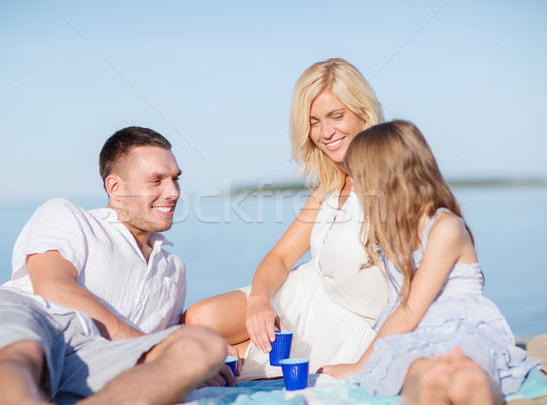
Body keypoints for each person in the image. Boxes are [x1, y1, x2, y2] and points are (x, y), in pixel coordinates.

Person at [0, 126, 233, 405]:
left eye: (175, 179)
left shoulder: (173, 270)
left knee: (203, 346)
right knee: (24, 349)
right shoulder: (69, 216)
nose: (173, 192)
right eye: (156, 181)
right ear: (115, 188)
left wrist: (176, 355)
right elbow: (53, 287)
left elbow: (157, 347)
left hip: (92, 361)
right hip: (29, 322)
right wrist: (156, 349)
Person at [184, 58, 389, 380]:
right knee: (198, 320)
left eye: (337, 116)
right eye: (314, 122)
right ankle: (232, 359)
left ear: (364, 113)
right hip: (306, 291)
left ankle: (233, 362)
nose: (326, 132)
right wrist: (258, 303)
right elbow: (281, 256)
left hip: (351, 318)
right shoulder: (329, 187)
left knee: (205, 351)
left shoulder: (394, 181)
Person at [319, 120, 541, 403]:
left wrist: (358, 367)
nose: (357, 190)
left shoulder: (444, 227)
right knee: (421, 374)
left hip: (461, 327)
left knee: (466, 374)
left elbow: (410, 310)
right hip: (417, 335)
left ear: (386, 179)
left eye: (360, 180)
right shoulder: (395, 233)